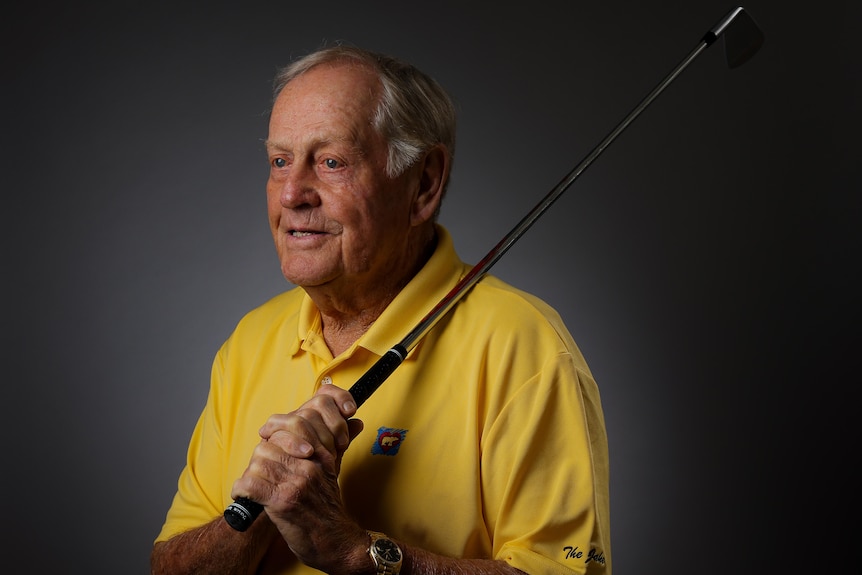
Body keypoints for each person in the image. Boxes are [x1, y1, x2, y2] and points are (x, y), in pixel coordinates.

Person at [151, 44, 611, 575]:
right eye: (280, 161)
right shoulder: (250, 340)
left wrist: (357, 554)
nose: (293, 193)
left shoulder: (524, 345)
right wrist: (257, 506)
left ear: (423, 183)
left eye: (332, 162)